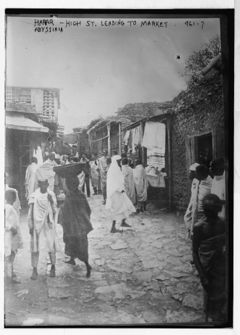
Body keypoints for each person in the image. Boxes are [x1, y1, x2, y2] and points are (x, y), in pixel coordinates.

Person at [193, 194, 226, 322]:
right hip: (206, 267)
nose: (209, 215)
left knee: (220, 294)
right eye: (207, 212)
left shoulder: (223, 224)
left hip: (220, 266)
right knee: (209, 295)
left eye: (212, 212)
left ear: (218, 210)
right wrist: (202, 275)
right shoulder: (199, 227)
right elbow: (195, 253)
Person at [58, 176, 93, 278]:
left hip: (72, 227)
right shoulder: (81, 194)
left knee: (72, 243)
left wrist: (61, 210)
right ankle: (82, 263)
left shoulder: (69, 196)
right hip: (81, 226)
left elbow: (65, 212)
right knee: (82, 245)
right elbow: (88, 209)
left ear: (69, 185)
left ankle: (83, 263)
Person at [28, 179, 58, 280]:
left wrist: (51, 201)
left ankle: (53, 267)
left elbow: (54, 211)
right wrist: (30, 225)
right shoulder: (34, 196)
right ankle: (34, 269)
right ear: (39, 184)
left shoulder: (51, 194)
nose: (43, 185)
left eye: (45, 183)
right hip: (37, 225)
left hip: (48, 224)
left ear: (48, 184)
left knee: (51, 245)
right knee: (35, 246)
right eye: (41, 183)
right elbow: (30, 213)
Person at [106, 155, 136, 233]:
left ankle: (123, 222)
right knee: (117, 210)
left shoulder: (116, 169)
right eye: (118, 161)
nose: (120, 163)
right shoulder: (113, 170)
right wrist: (120, 189)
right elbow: (113, 183)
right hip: (115, 193)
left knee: (125, 207)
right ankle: (113, 228)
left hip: (119, 192)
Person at [5, 189, 23, 283]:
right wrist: (11, 227)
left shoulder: (11, 208)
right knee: (9, 255)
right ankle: (10, 275)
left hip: (13, 236)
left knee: (12, 253)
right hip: (9, 235)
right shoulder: (7, 208)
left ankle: (10, 272)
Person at [191, 164, 212, 235]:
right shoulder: (198, 181)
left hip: (205, 212)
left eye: (197, 174)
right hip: (197, 210)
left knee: (202, 230)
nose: (196, 176)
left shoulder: (210, 183)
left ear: (202, 174)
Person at [184, 163, 200, 238]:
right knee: (187, 217)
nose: (189, 173)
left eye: (191, 172)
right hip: (192, 203)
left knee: (194, 219)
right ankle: (190, 232)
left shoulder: (199, 181)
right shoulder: (194, 180)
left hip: (197, 204)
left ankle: (192, 234)